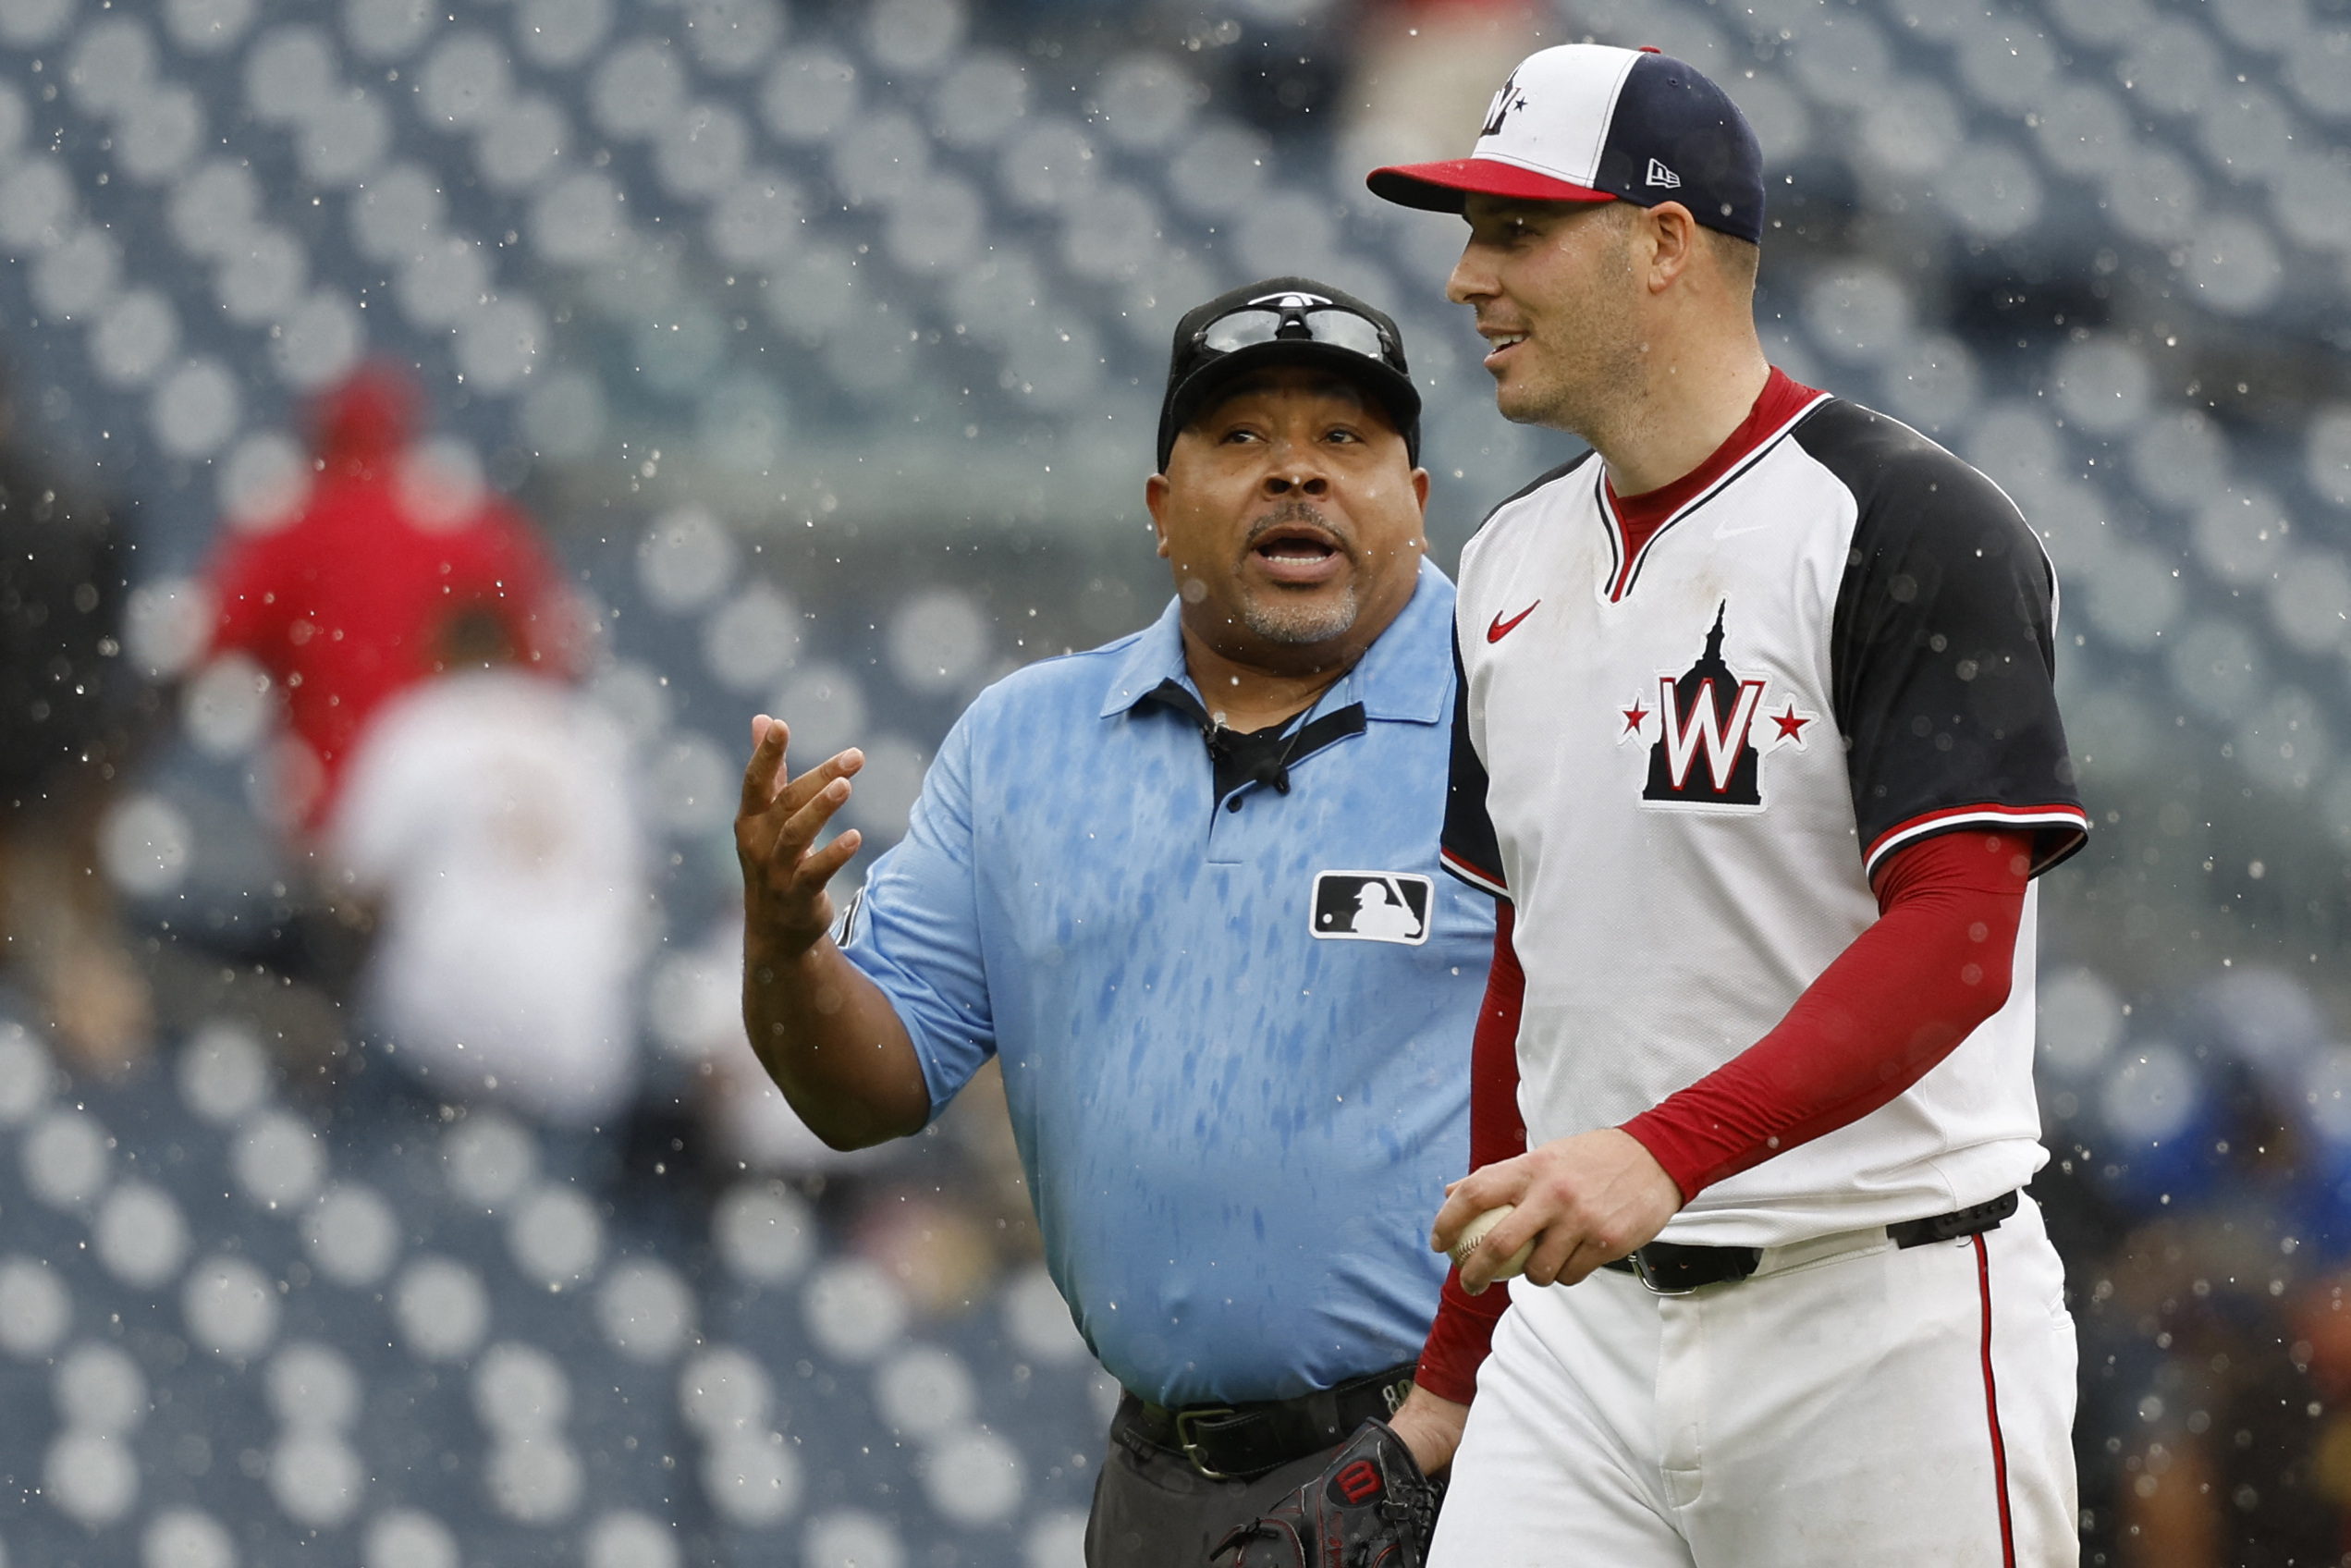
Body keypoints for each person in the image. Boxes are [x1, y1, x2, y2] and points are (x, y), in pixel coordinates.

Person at [1364, 43, 2092, 1566]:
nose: (1464, 278)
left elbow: (1959, 938)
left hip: (1878, 1319)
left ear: (1661, 243)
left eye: (1513, 231)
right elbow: (1529, 982)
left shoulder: (1904, 523)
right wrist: (1450, 1376)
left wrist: (1666, 1149)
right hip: (1579, 1348)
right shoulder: (1499, 564)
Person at [734, 277, 1495, 1565]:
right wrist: (787, 944)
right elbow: (866, 1092)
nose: (1295, 475)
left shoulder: (1519, 716)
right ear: (1160, 510)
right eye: (1240, 438)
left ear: (1414, 503)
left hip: (1458, 1459)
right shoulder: (1024, 743)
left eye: (1343, 440)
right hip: (1160, 1483)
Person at [202, 361, 579, 832]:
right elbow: (553, 658)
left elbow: (204, 651)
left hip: (346, 826)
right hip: (470, 821)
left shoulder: (285, 533)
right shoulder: (469, 526)